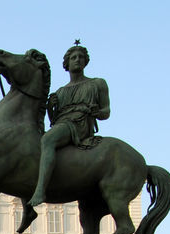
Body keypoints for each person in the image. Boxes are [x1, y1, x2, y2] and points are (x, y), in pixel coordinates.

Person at [24, 41, 110, 213]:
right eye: (73, 58)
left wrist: (96, 112)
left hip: (80, 123)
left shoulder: (97, 83)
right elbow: (54, 121)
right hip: (63, 124)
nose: (77, 60)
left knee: (48, 139)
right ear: (67, 63)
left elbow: (106, 111)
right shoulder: (61, 92)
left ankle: (40, 190)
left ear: (86, 62)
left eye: (81, 57)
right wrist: (50, 108)